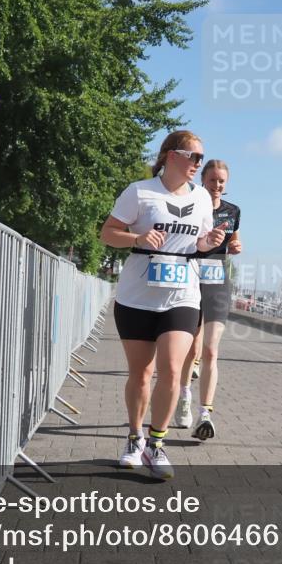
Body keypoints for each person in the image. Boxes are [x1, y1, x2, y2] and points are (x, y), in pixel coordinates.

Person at [100, 130, 227, 479]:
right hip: (137, 297)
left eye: (201, 158)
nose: (198, 164)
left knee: (171, 369)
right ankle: (134, 438)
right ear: (172, 155)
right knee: (141, 374)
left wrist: (210, 241)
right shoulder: (140, 191)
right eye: (194, 157)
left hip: (182, 295)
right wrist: (137, 237)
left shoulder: (202, 199)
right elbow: (107, 233)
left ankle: (157, 443)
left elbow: (199, 244)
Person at [173, 160, 242, 440]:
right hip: (191, 277)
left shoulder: (233, 211)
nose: (217, 185)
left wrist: (235, 246)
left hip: (218, 279)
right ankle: (184, 396)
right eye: (212, 179)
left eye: (221, 180)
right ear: (203, 179)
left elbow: (234, 240)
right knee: (192, 349)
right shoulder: (191, 205)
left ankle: (205, 414)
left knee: (211, 351)